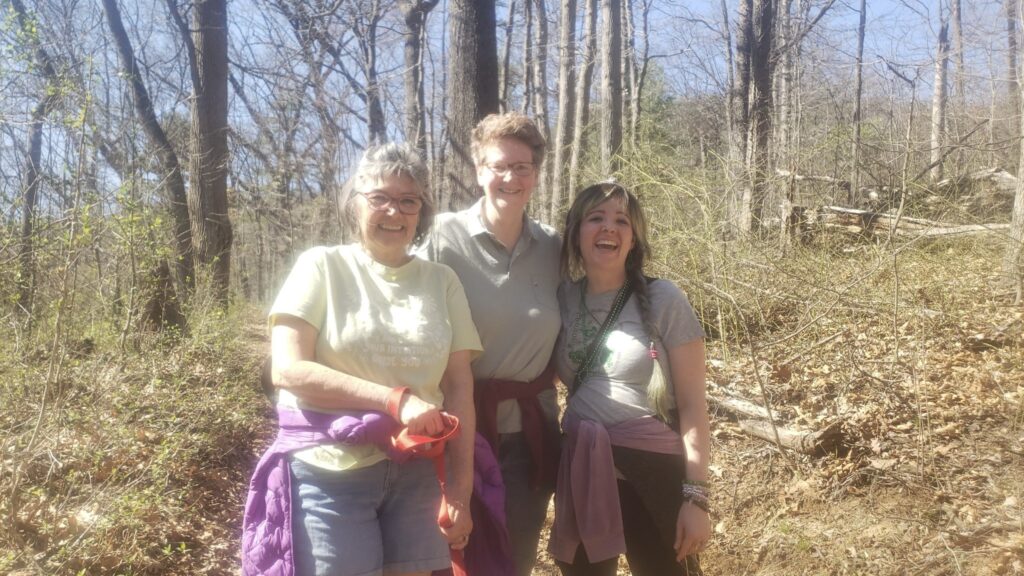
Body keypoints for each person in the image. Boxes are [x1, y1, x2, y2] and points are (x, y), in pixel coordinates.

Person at [243, 142, 481, 576]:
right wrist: (395, 401)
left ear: (421, 212)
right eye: (380, 198)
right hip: (330, 467)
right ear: (354, 205)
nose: (394, 212)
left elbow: (461, 387)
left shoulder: (443, 281)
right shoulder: (320, 267)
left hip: (419, 472)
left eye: (408, 201)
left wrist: (460, 494)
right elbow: (288, 369)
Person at [421, 112, 561, 576]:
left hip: (529, 436)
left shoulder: (554, 248)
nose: (510, 177)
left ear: (536, 175)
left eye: (522, 167)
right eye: (499, 166)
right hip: (452, 431)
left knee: (511, 559)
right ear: (480, 171)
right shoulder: (441, 238)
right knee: (445, 557)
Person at [548, 182, 711, 576]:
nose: (609, 228)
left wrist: (697, 498)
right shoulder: (562, 299)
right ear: (575, 232)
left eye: (621, 220)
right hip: (584, 468)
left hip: (656, 472)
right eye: (596, 218)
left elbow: (692, 405)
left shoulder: (664, 299)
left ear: (634, 237)